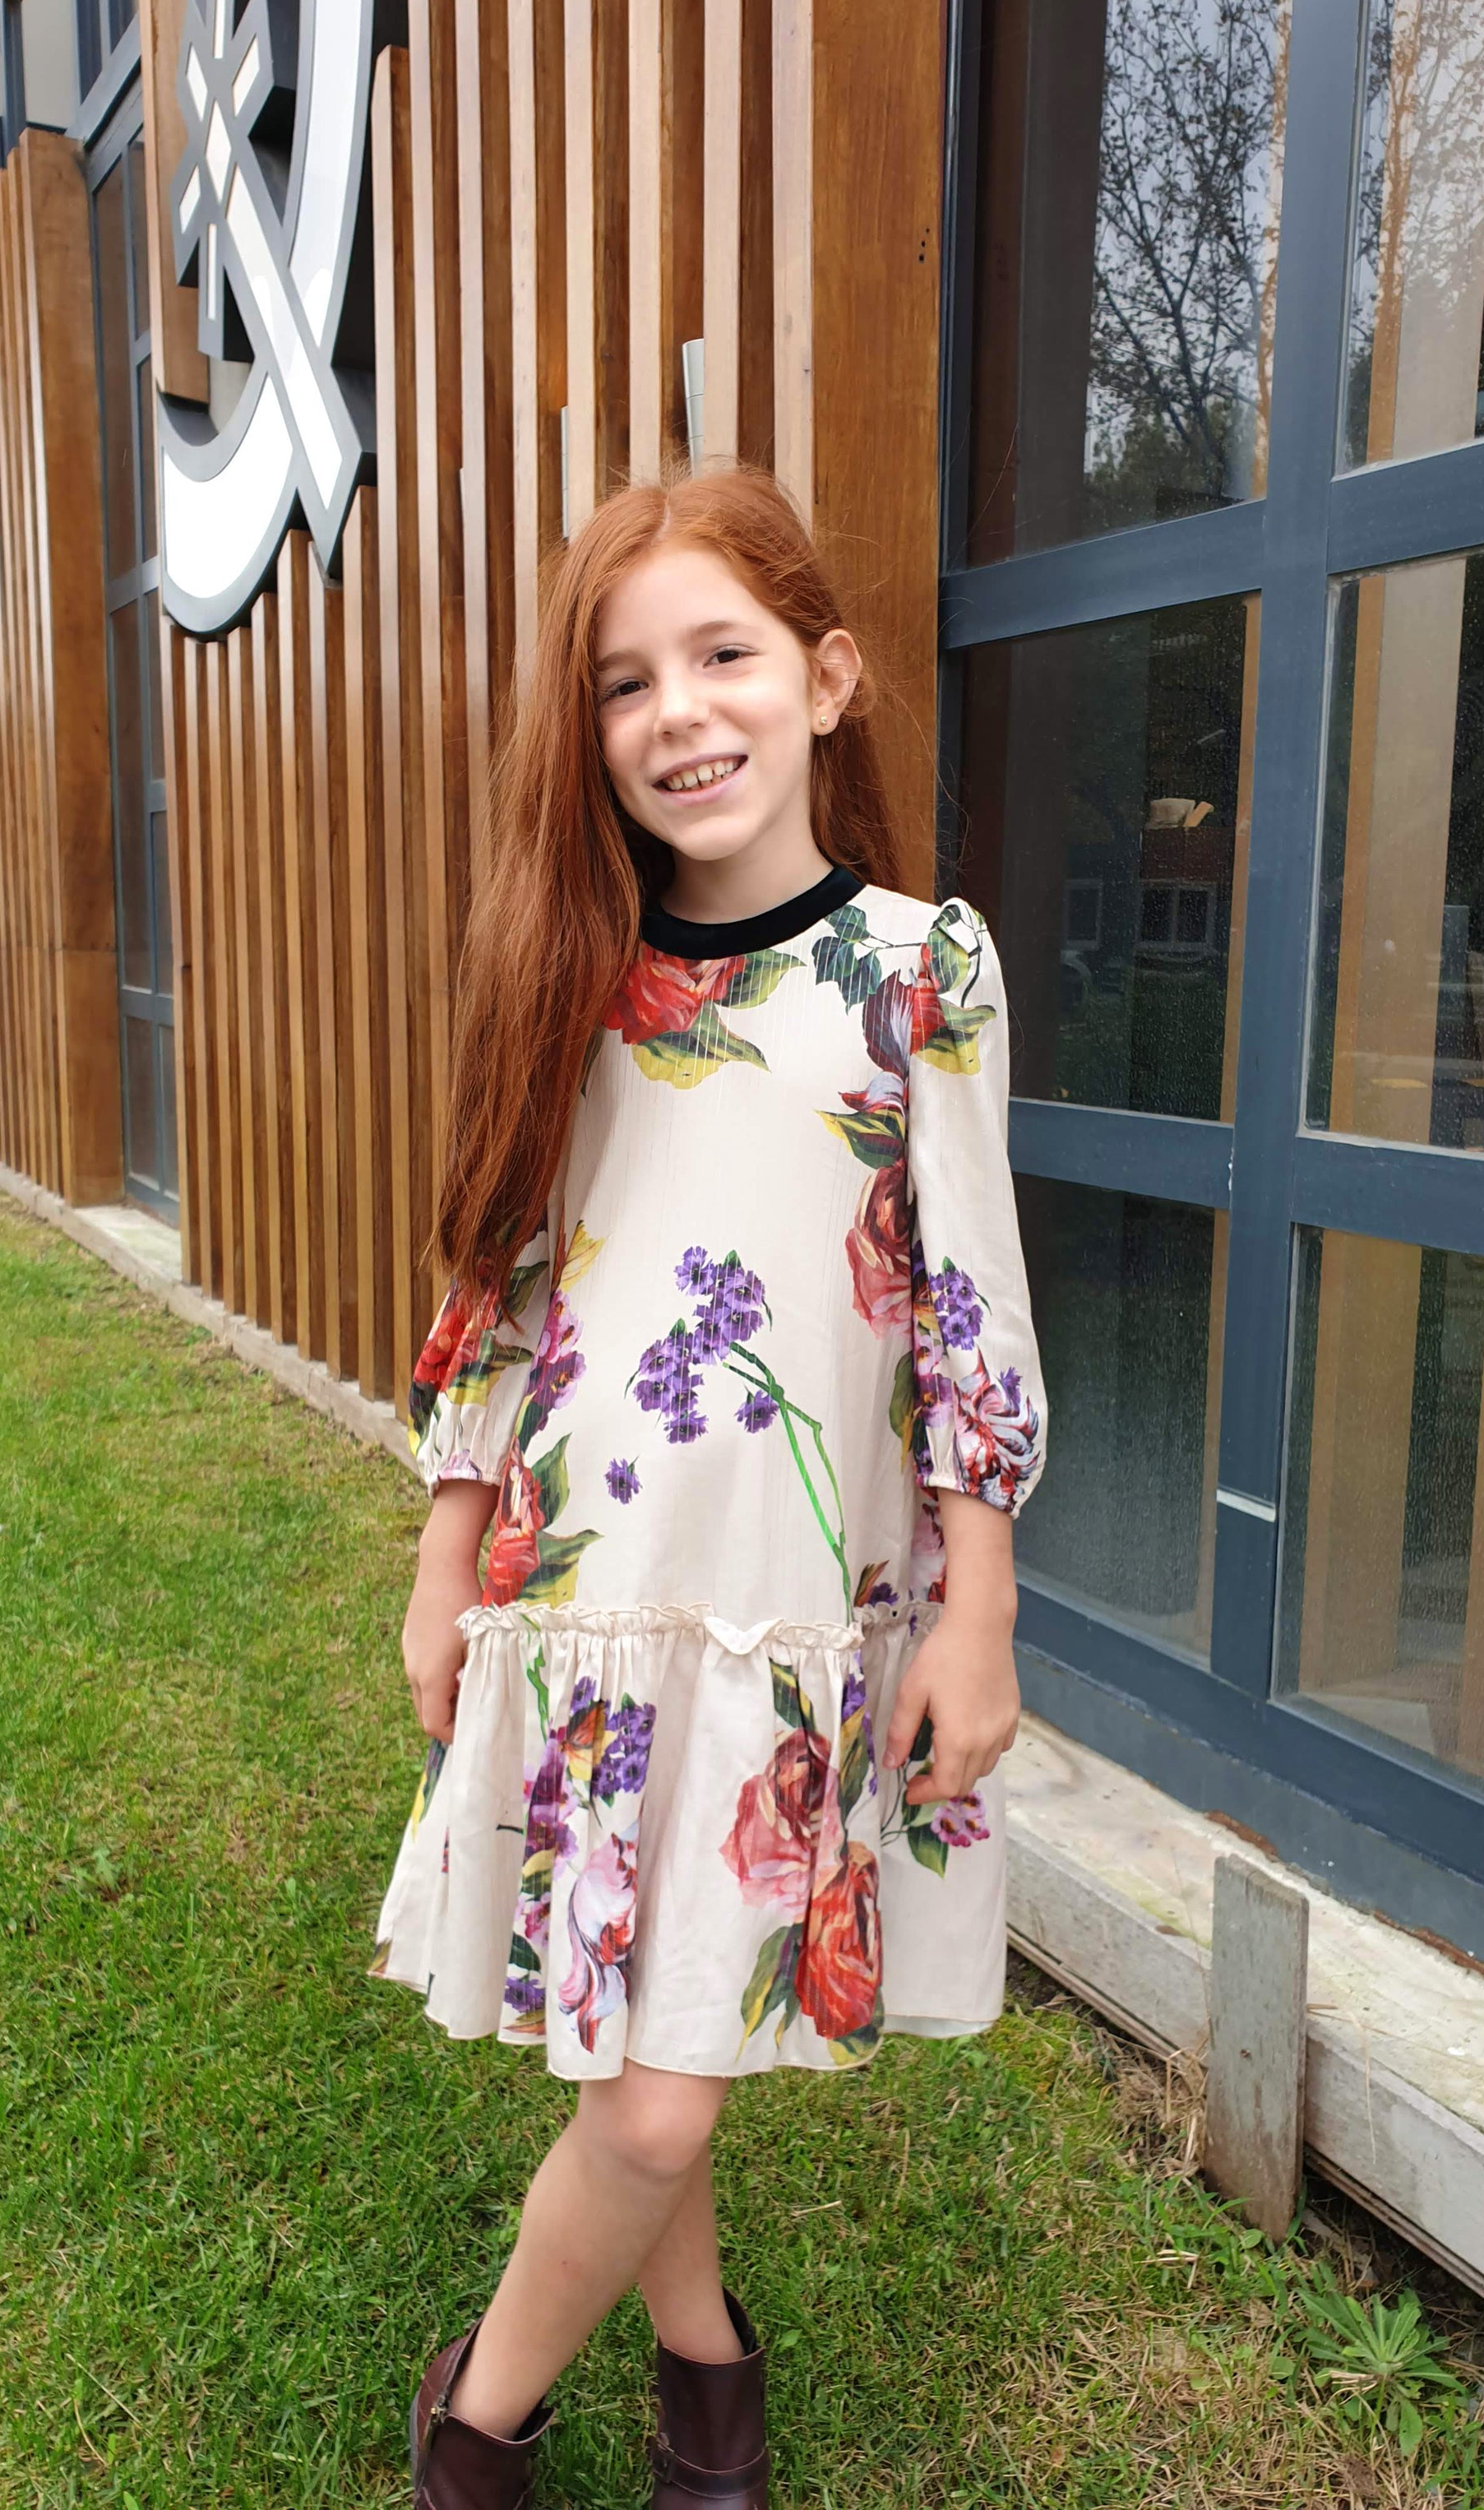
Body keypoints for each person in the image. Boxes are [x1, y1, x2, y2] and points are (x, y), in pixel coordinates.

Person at [370, 463, 1047, 2509]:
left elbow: (965, 1304)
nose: (677, 713)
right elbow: (500, 1287)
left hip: (785, 1605)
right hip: (585, 1588)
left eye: (722, 656)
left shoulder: (918, 969)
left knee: (662, 2089)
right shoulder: (566, 973)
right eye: (623, 681)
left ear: (825, 680)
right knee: (644, 2049)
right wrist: (446, 1559)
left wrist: (982, 1608)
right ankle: (703, 2383)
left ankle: (469, 2433)